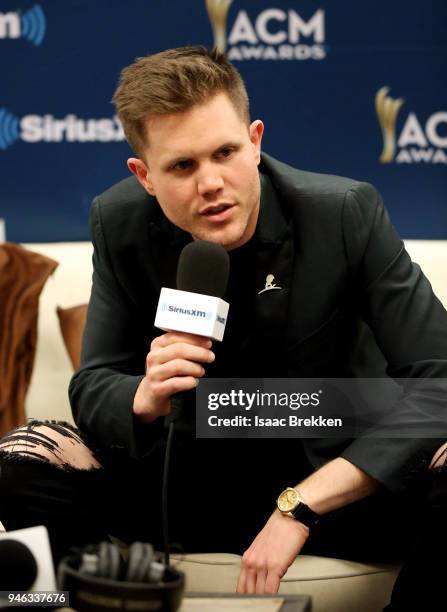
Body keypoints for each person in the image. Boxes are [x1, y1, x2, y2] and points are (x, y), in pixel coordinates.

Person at [0, 46, 446, 610]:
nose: (211, 182)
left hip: (328, 476)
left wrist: (300, 504)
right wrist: (142, 395)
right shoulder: (118, 223)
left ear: (255, 141)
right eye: (183, 166)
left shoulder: (342, 212)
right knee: (22, 457)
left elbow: (439, 380)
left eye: (226, 152)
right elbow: (94, 386)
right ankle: (95, 600)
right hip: (186, 479)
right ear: (144, 176)